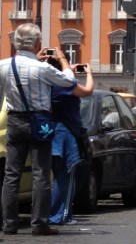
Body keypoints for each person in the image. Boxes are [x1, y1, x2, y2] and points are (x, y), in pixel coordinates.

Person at [0, 23, 76, 236]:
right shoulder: (43, 68)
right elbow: (69, 81)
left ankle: (9, 224)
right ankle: (39, 224)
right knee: (41, 173)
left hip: (14, 120)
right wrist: (63, 60)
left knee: (11, 174)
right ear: (37, 44)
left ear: (15, 43)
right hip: (40, 121)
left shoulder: (3, 65)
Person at [47, 58, 94, 226]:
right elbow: (88, 90)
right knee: (66, 175)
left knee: (53, 175)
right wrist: (88, 73)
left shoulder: (46, 84)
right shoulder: (63, 86)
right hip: (66, 134)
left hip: (50, 132)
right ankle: (61, 215)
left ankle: (52, 214)